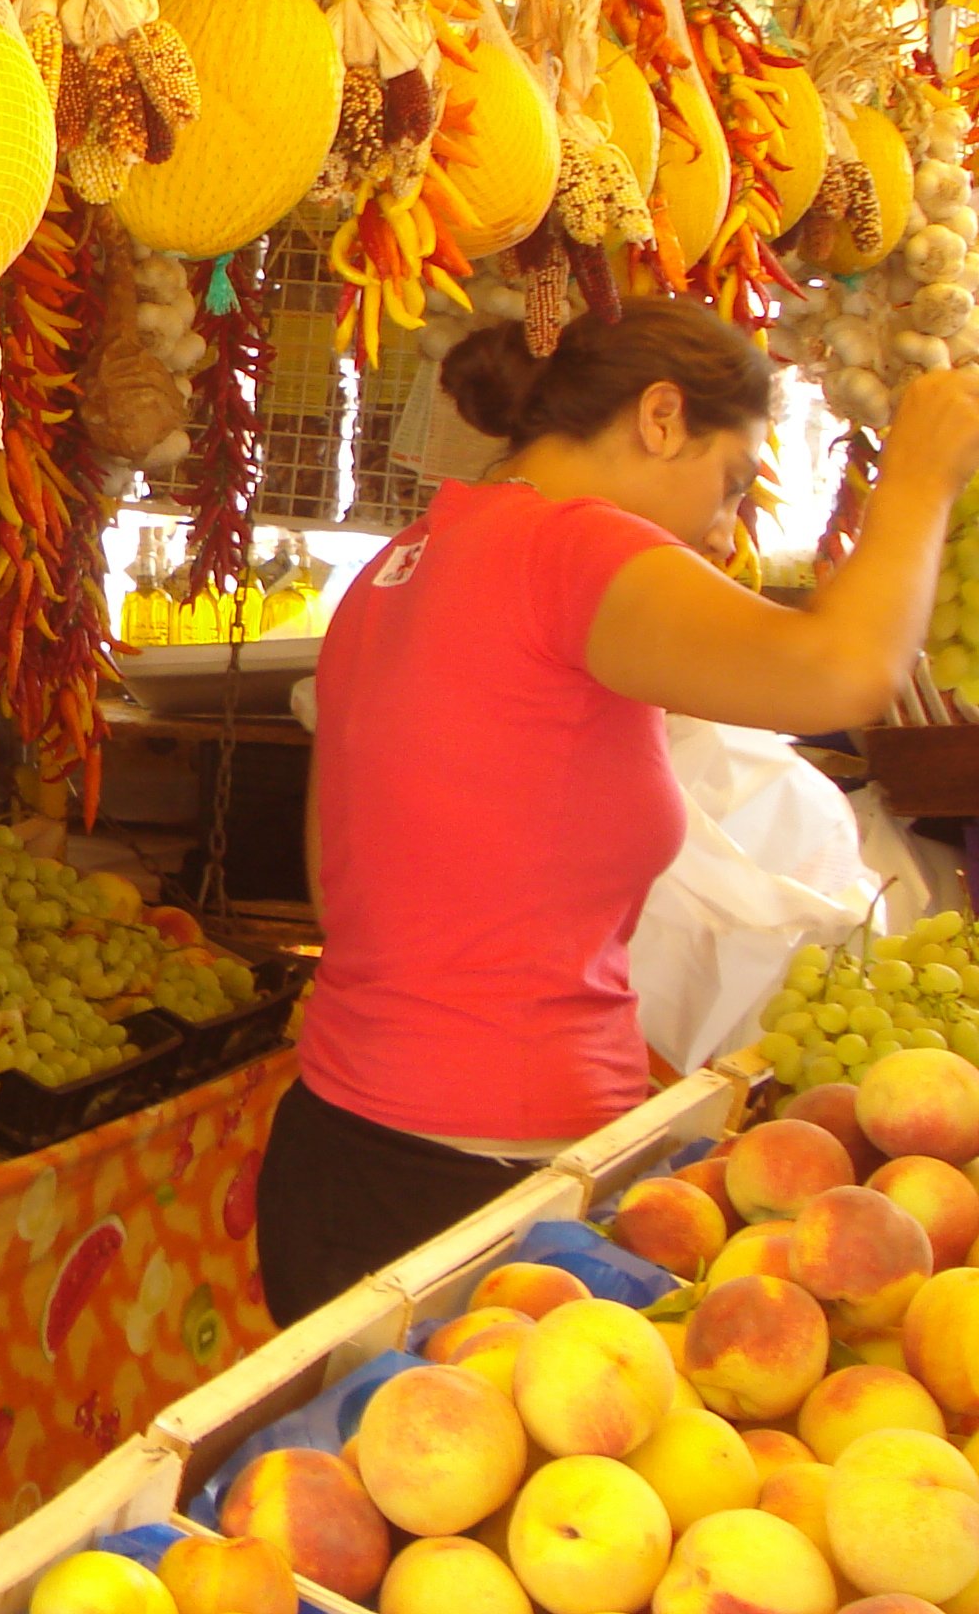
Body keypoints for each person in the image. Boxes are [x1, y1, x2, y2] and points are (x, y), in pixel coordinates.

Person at [256, 299, 979, 1323]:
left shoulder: (400, 564)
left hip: (350, 1150)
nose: (726, 531)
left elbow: (342, 879)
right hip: (465, 1190)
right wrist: (921, 475)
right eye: (730, 484)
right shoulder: (568, 550)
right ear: (659, 417)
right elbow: (843, 672)